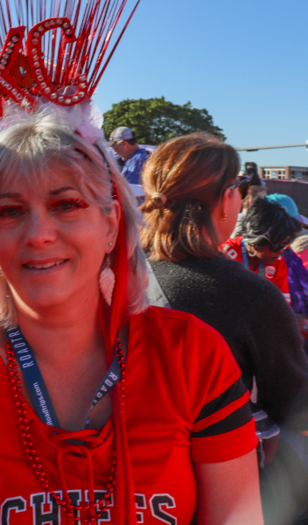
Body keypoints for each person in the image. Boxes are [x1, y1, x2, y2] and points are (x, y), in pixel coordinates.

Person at [0, 111, 261, 523]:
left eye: (66, 204)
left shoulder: (192, 354)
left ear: (111, 224)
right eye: (10, 210)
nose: (38, 234)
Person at [140, 134, 308, 524]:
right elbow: (296, 406)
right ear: (222, 201)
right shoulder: (247, 293)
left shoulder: (114, 276)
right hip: (220, 488)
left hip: (130, 486)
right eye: (237, 188)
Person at [221, 197, 302, 306]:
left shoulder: (278, 263)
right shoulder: (224, 256)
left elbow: (281, 308)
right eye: (278, 245)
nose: (282, 251)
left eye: (286, 244)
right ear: (257, 240)